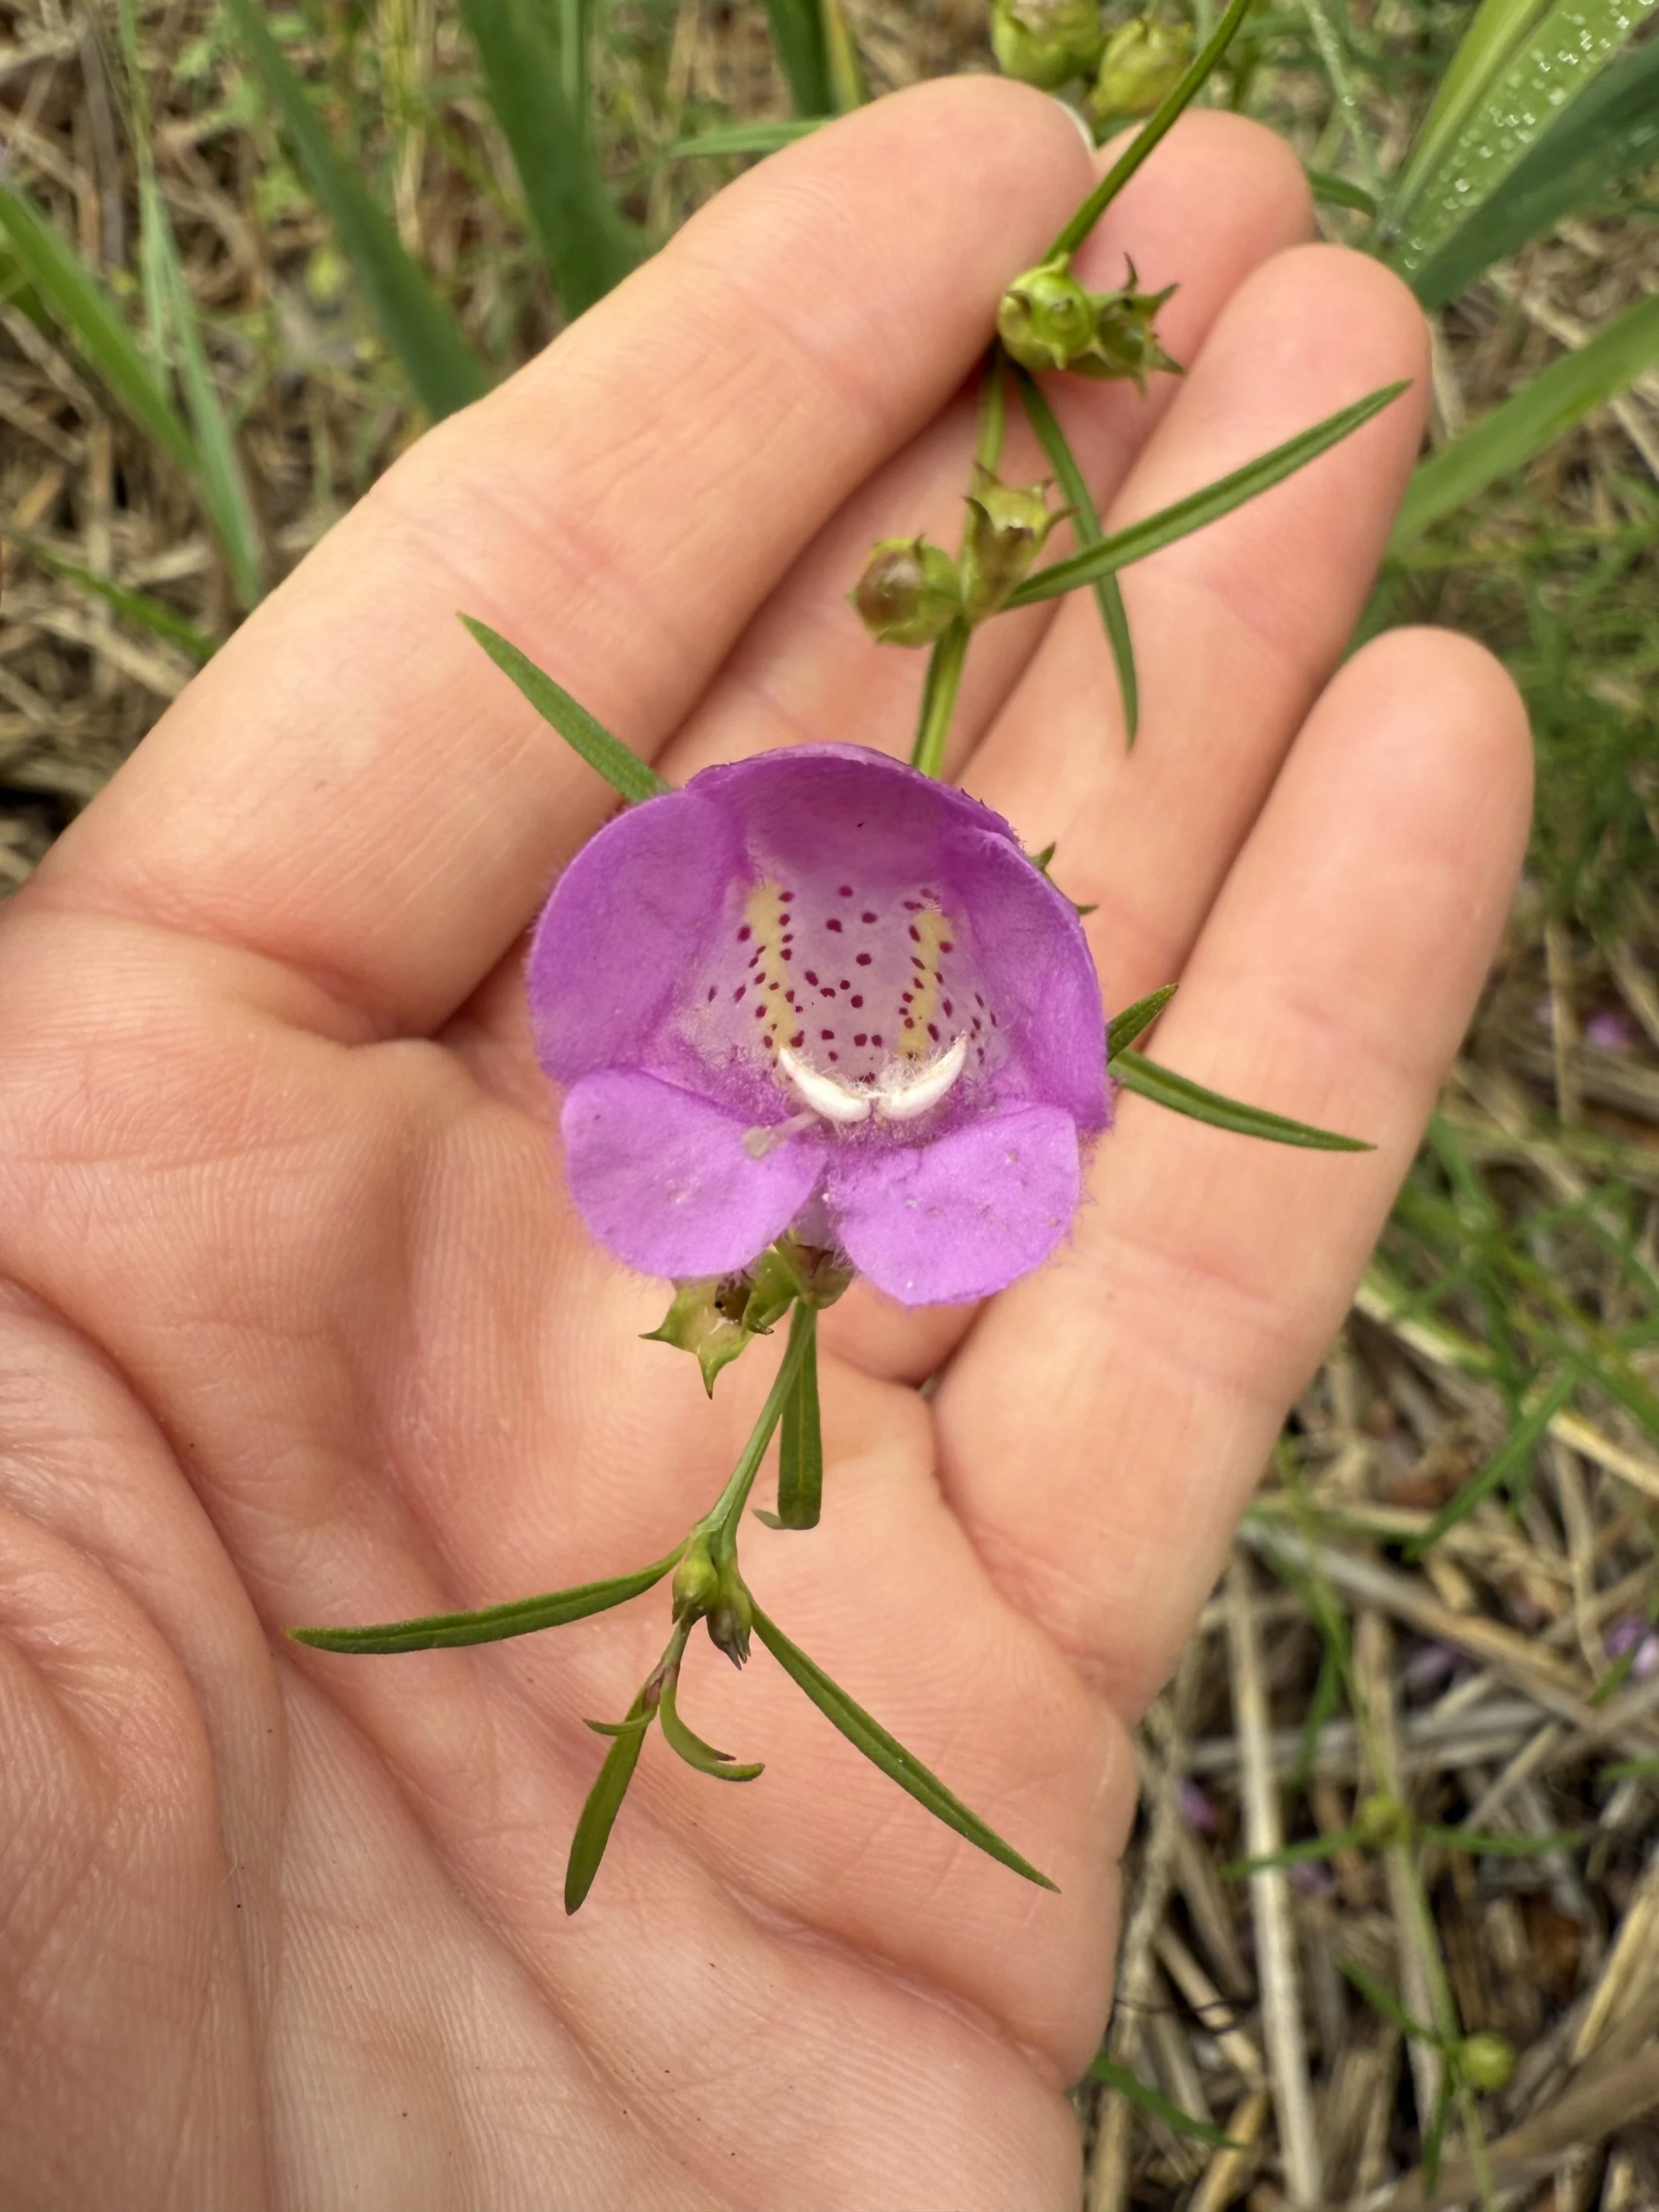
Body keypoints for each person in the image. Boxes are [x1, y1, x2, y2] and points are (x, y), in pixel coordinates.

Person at [0, 76, 1528, 2211]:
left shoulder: (949, 969)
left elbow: (998, 1055)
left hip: (942, 1077)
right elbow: (684, 1026)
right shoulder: (751, 963)